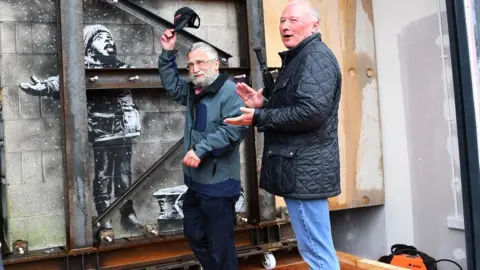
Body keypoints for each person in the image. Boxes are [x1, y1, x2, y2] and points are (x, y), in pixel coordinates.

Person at [225, 0, 342, 269]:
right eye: (282, 20)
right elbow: (298, 109)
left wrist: (259, 116)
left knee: (316, 250)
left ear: (314, 26)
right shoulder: (303, 57)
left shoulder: (315, 58)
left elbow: (311, 113)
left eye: (293, 20)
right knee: (315, 247)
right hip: (300, 169)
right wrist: (262, 105)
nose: (285, 26)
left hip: (303, 172)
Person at [18, 24, 143, 236]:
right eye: (101, 38)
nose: (108, 41)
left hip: (125, 131)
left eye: (109, 38)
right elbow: (64, 81)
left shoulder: (122, 67)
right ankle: (105, 218)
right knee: (103, 175)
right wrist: (45, 86)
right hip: (103, 131)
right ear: (89, 47)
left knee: (123, 175)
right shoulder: (84, 68)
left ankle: (127, 214)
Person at [158, 29, 248, 270]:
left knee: (221, 245)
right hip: (195, 182)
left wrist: (200, 149)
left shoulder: (231, 92)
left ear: (216, 65)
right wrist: (168, 53)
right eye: (190, 65)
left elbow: (235, 129)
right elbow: (171, 85)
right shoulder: (193, 90)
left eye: (200, 63)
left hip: (219, 184)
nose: (195, 69)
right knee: (195, 236)